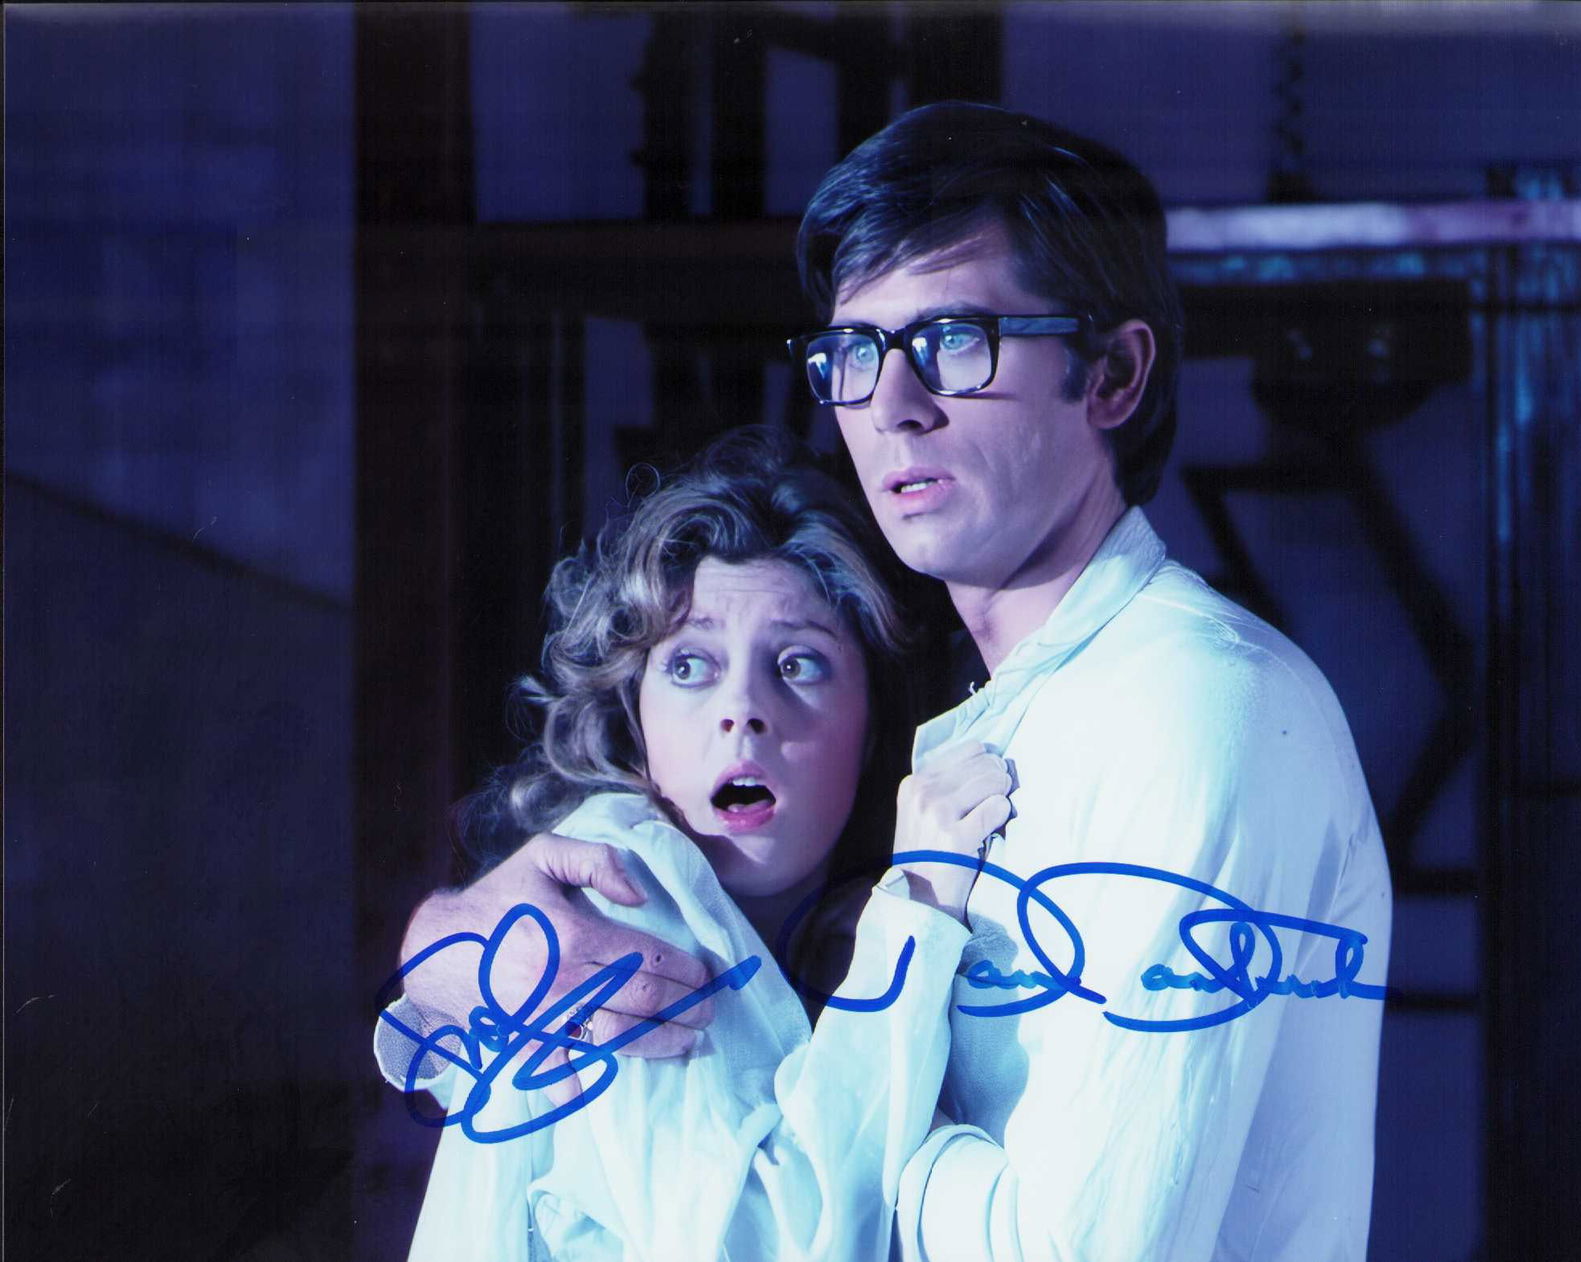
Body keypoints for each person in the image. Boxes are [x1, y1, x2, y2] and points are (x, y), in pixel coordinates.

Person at [391, 102, 1391, 1261]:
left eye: (956, 340)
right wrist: (443, 942)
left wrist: (858, 1134)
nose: (892, 406)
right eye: (855, 354)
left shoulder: (1185, 705)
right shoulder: (979, 737)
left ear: (1111, 374)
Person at [382, 428, 1011, 1261]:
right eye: (689, 666)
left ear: (871, 729)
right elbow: (766, 1241)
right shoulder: (620, 881)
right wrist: (920, 916)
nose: (742, 709)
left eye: (799, 664)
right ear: (635, 718)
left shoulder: (824, 932)